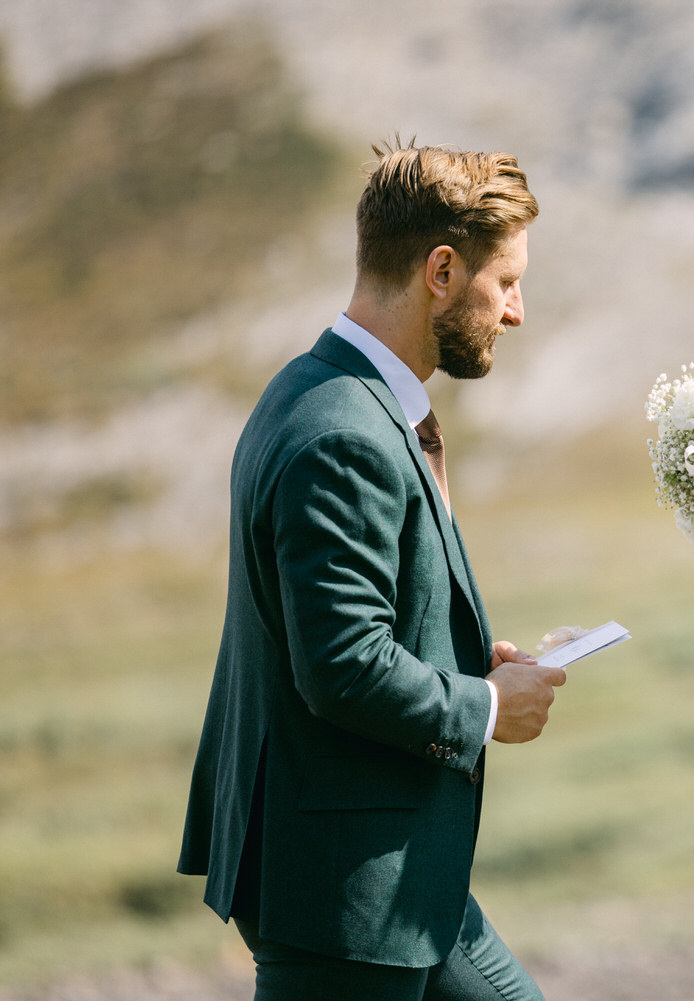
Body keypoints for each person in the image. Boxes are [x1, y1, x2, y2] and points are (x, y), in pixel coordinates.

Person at [178, 141, 567, 1001]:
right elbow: (343, 662)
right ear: (440, 269)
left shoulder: (322, 389)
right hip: (340, 885)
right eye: (505, 283)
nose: (516, 311)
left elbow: (356, 626)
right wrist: (491, 706)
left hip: (399, 872)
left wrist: (468, 665)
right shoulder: (342, 433)